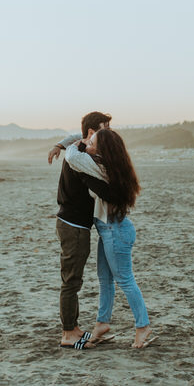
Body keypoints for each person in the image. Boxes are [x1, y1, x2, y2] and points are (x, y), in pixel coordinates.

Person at [64, 128, 155, 349]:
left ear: (104, 150)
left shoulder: (98, 166)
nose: (88, 145)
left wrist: (75, 143)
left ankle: (143, 327)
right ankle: (102, 324)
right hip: (109, 230)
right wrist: (87, 140)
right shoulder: (110, 166)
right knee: (105, 281)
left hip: (115, 230)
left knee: (125, 280)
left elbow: (71, 156)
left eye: (92, 142)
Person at [47, 112, 112, 349]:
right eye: (105, 129)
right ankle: (68, 334)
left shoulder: (83, 148)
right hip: (73, 225)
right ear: (93, 133)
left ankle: (73, 328)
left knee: (74, 279)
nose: (109, 134)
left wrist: (61, 144)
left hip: (74, 224)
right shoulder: (80, 156)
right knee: (71, 281)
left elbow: (79, 136)